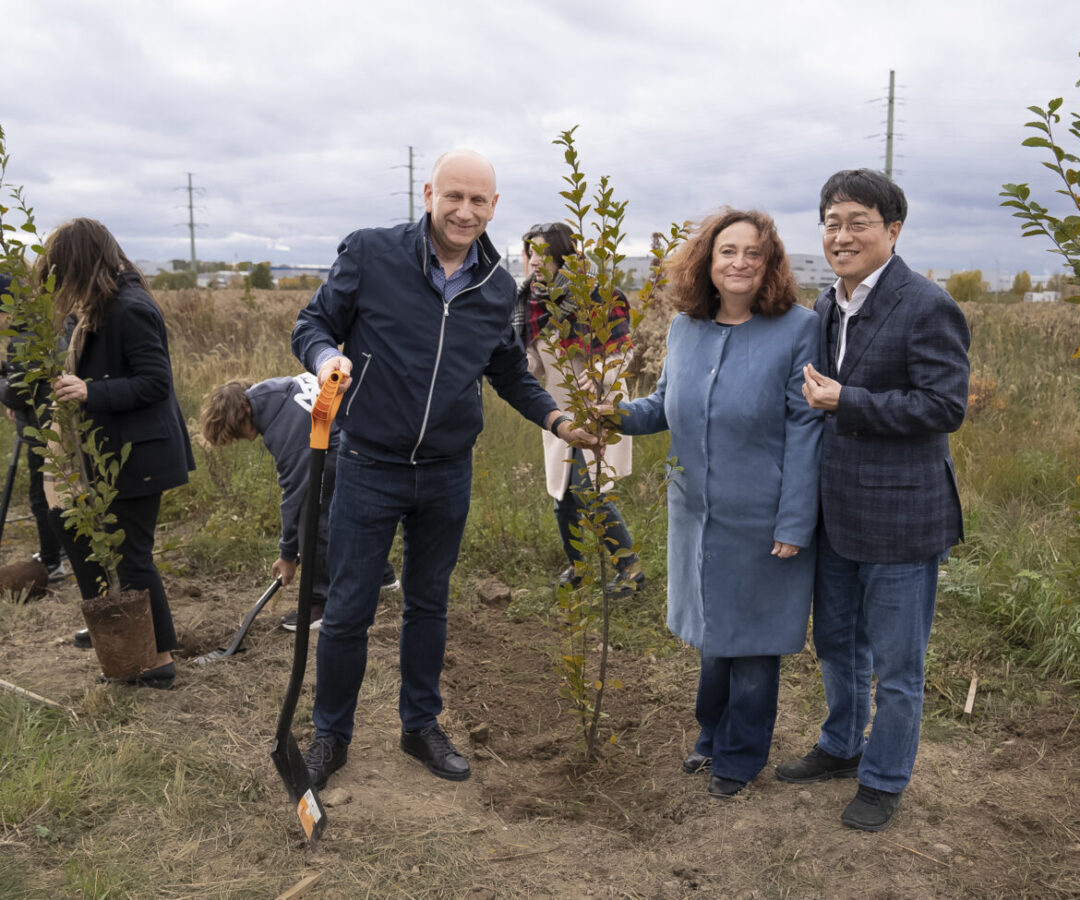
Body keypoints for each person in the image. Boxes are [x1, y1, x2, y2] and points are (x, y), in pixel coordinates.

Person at [291, 148, 593, 789]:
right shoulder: (372, 253)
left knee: (429, 605)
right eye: (453, 196)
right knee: (348, 608)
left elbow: (509, 372)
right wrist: (323, 360)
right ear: (429, 193)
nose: (464, 211)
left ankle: (419, 726)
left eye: (478, 201)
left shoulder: (498, 286)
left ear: (494, 207)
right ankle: (330, 736)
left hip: (447, 469)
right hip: (370, 462)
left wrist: (559, 422)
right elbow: (314, 323)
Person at [775, 169, 971, 832]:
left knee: (897, 661)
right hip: (837, 512)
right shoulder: (830, 304)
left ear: (893, 229)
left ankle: (885, 778)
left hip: (902, 517)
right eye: (831, 221)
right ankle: (840, 746)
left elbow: (944, 407)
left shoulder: (926, 304)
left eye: (857, 221)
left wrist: (845, 401)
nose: (841, 234)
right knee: (834, 642)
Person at [614, 209, 823, 798]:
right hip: (696, 513)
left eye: (753, 253)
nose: (739, 263)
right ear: (708, 261)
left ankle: (740, 754)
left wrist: (795, 520)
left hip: (764, 515)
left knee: (754, 643)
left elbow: (807, 430)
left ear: (770, 263)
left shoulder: (799, 329)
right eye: (727, 251)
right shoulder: (686, 327)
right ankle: (710, 733)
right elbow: (662, 406)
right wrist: (610, 413)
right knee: (713, 634)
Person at [33, 218, 195, 688]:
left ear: (83, 264)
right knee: (120, 556)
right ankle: (137, 656)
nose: (60, 287)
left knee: (133, 558)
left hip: (139, 456)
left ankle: (158, 660)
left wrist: (90, 391)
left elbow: (156, 383)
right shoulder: (96, 310)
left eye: (62, 274)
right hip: (114, 453)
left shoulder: (129, 307)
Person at [200, 374, 399, 631]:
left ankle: (319, 604)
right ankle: (382, 576)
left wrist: (287, 555)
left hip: (351, 443)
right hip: (370, 432)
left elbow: (294, 496)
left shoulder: (286, 433)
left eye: (238, 430)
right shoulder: (275, 389)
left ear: (245, 410)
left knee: (312, 517)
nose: (245, 438)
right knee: (348, 514)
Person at [516, 221, 642, 593]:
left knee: (592, 493)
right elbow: (536, 366)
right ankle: (580, 569)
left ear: (563, 256)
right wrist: (512, 362)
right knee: (563, 498)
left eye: (542, 253)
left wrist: (599, 373)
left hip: (598, 406)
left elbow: (624, 351)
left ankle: (631, 571)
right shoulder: (530, 304)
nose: (534, 261)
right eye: (530, 253)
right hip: (558, 413)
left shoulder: (600, 297)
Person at [0, 273, 69, 583]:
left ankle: (53, 562)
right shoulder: (41, 326)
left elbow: (17, 390)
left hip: (43, 428)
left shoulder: (25, 339)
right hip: (48, 424)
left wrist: (5, 387)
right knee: (53, 492)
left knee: (43, 495)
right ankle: (56, 552)